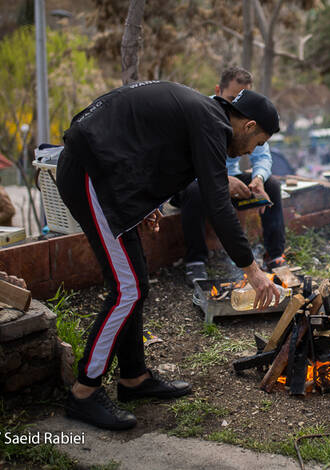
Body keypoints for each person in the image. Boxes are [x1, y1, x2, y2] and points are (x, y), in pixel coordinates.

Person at [56, 80, 282, 430]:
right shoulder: (213, 123)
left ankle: (134, 378)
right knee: (126, 289)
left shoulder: (207, 115)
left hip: (106, 173)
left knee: (136, 285)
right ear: (248, 125)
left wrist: (141, 201)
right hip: (90, 172)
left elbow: (151, 149)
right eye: (258, 142)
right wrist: (251, 269)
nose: (250, 151)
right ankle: (83, 392)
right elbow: (217, 201)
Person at [178, 68, 286, 285]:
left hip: (231, 179)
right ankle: (195, 260)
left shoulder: (250, 121)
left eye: (243, 100)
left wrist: (258, 179)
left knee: (271, 184)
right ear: (218, 90)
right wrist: (220, 180)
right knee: (194, 191)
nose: (238, 108)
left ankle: (275, 255)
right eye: (231, 99)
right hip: (193, 180)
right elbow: (188, 164)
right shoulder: (206, 115)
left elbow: (262, 157)